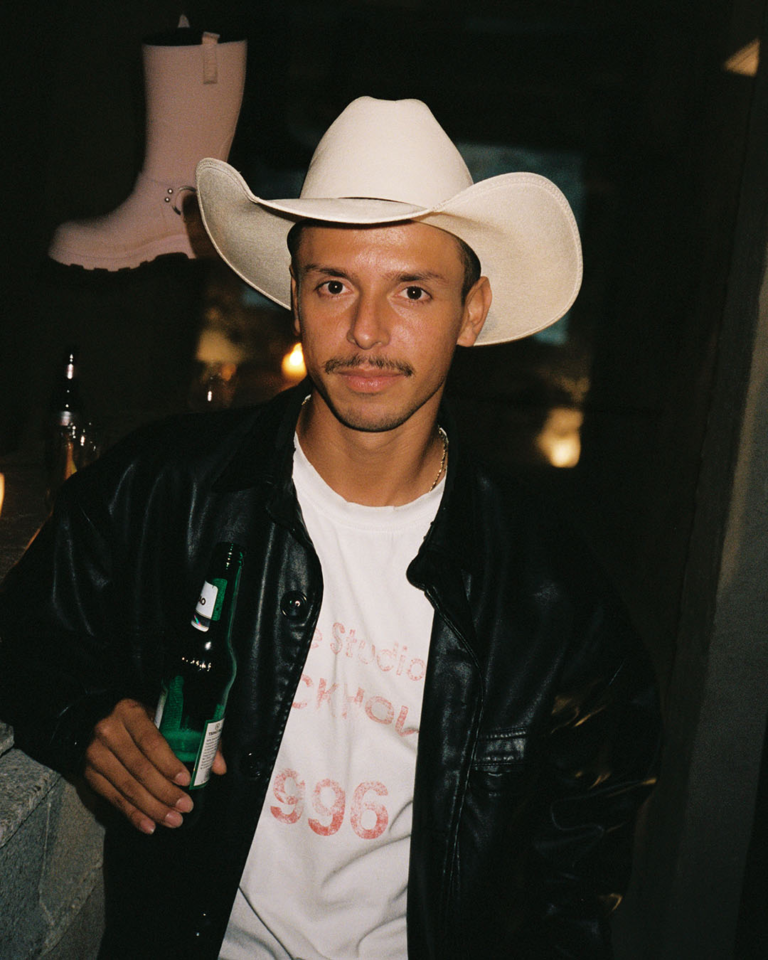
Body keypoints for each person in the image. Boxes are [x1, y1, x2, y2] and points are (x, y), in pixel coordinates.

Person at [0, 97, 660, 959]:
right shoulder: (166, 490)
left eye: (412, 290)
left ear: (471, 312)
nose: (366, 331)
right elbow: (23, 631)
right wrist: (83, 718)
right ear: (295, 298)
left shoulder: (548, 589)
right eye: (334, 285)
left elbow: (579, 862)